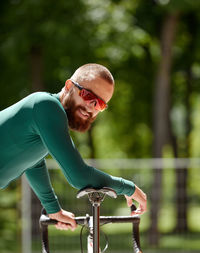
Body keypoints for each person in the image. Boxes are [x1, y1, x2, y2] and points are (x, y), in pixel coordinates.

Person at [0, 63, 147, 231]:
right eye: (87, 95)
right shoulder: (46, 105)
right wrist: (128, 187)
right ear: (69, 86)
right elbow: (79, 176)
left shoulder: (49, 116)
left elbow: (33, 162)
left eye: (100, 104)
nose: (91, 106)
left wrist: (53, 209)